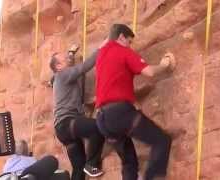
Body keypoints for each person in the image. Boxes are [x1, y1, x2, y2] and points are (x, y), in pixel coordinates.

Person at [95, 24, 174, 180]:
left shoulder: (101, 55)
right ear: (121, 37)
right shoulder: (123, 51)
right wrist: (164, 65)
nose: (130, 45)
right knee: (161, 141)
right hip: (119, 114)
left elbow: (113, 81)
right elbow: (149, 72)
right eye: (129, 41)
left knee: (129, 163)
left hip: (102, 121)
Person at [49, 45, 105, 180]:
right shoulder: (63, 75)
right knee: (98, 127)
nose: (68, 59)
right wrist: (102, 48)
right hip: (68, 123)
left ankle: (86, 166)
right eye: (64, 59)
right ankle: (91, 164)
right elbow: (84, 67)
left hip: (63, 131)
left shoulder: (61, 77)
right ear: (58, 66)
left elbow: (69, 62)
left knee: (78, 168)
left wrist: (71, 53)